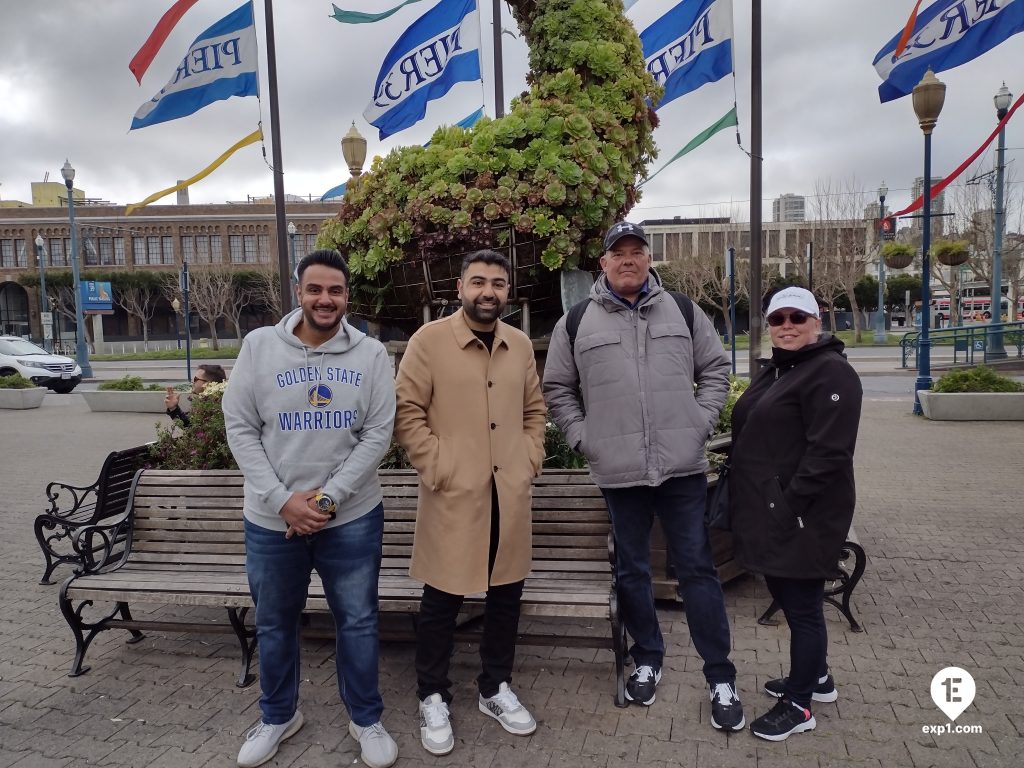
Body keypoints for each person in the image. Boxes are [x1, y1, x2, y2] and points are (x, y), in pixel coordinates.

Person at [543, 221, 744, 732]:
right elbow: (558, 389)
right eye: (619, 253)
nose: (628, 259)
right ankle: (647, 659)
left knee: (697, 570)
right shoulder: (577, 322)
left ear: (648, 259)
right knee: (632, 571)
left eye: (637, 251)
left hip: (680, 468)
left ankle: (720, 674)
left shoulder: (682, 309)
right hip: (620, 471)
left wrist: (699, 423)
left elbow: (716, 370)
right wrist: (585, 438)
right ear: (604, 263)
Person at [222, 249, 398, 768]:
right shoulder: (258, 347)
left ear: (347, 296)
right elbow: (240, 428)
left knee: (359, 621)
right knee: (275, 623)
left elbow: (377, 435)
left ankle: (365, 719)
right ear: (298, 292)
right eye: (316, 289)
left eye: (336, 291)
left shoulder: (370, 355)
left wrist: (325, 500)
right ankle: (278, 715)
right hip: (271, 521)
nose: (326, 299)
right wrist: (283, 501)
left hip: (352, 517)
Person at [394, 249, 547, 756]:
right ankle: (432, 694)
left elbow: (534, 410)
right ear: (459, 288)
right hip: (454, 497)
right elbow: (407, 411)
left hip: (509, 494)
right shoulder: (429, 342)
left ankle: (494, 688)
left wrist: (528, 460)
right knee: (442, 602)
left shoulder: (519, 345)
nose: (488, 291)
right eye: (478, 281)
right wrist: (439, 466)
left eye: (498, 283)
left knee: (505, 599)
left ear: (508, 291)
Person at [728, 286, 862, 741]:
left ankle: (800, 704)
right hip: (773, 509)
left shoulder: (831, 373)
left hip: (804, 514)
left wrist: (788, 506)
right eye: (777, 319)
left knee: (802, 609)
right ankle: (818, 678)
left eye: (797, 318)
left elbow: (830, 454)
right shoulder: (781, 369)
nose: (786, 326)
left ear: (817, 321)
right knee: (787, 595)